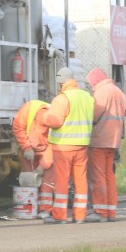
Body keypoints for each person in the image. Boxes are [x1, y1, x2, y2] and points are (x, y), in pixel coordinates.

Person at [43, 67, 97, 224]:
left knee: (62, 181)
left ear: (60, 82)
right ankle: (80, 215)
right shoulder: (87, 97)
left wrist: (45, 116)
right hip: (82, 146)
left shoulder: (62, 98)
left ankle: (60, 216)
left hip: (63, 146)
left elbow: (55, 121)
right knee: (80, 181)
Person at [87, 67, 126, 222]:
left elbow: (94, 115)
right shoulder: (118, 92)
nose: (91, 86)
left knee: (98, 177)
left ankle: (100, 212)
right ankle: (111, 211)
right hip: (113, 141)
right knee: (109, 175)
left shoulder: (101, 92)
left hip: (100, 140)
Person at [12, 99, 55, 219]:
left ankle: (45, 210)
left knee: (47, 180)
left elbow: (53, 146)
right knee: (29, 179)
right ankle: (30, 207)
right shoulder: (28, 109)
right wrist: (26, 148)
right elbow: (18, 128)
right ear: (36, 119)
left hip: (46, 149)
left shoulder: (53, 120)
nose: (43, 130)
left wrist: (43, 166)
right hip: (29, 148)